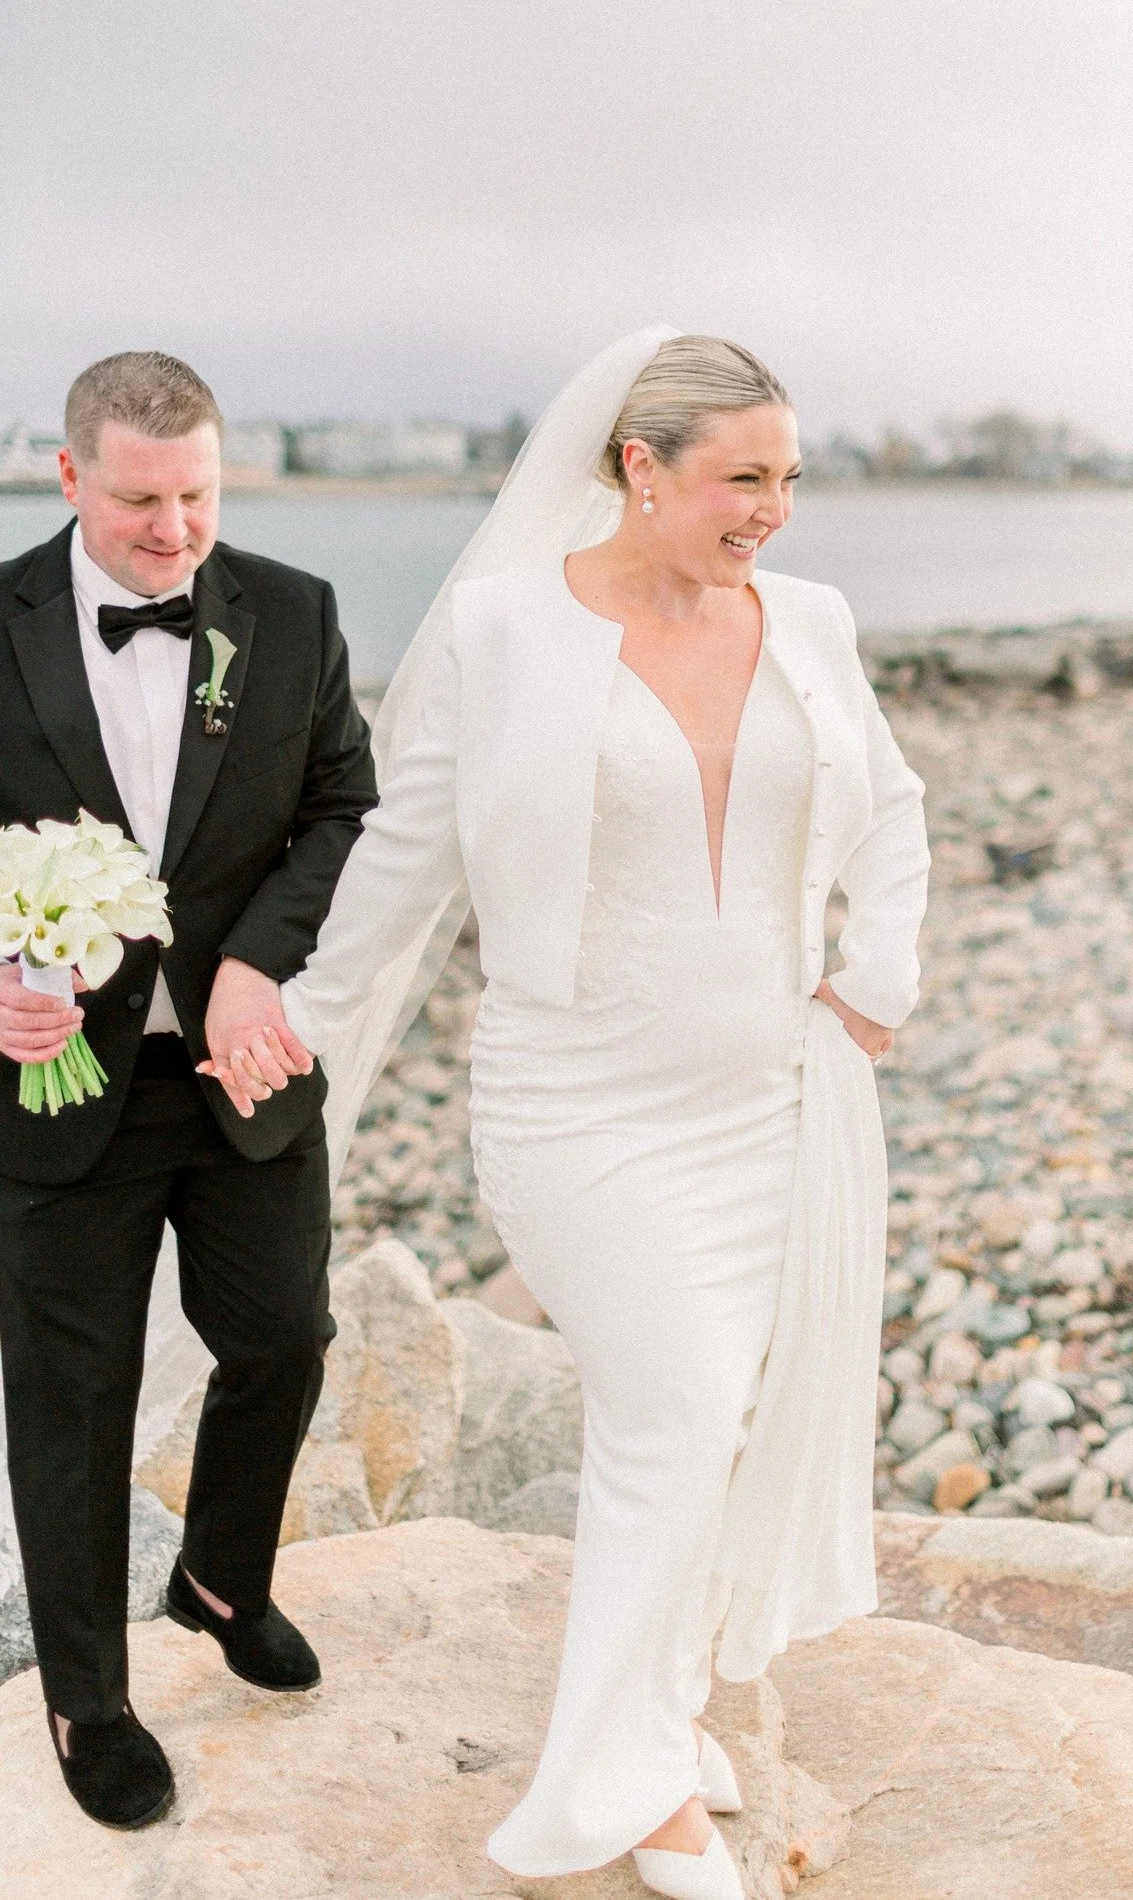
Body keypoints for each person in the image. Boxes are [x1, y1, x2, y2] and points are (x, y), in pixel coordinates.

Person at [273, 328, 929, 1899]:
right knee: (676, 1410)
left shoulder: (810, 623)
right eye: (741, 476)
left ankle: (659, 1704)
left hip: (769, 1099)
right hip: (579, 1107)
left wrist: (874, 977)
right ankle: (626, 1790)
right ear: (640, 466)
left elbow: (891, 805)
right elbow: (405, 855)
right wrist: (297, 1014)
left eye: (788, 476)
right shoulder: (506, 632)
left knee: (713, 1419)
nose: (774, 507)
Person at [0, 352, 376, 1829]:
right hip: (53, 1088)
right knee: (73, 1397)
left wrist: (256, 965)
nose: (177, 533)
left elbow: (343, 799)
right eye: (145, 501)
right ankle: (88, 1697)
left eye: (201, 496)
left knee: (285, 1332)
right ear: (70, 474)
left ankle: (221, 1575)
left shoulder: (292, 612)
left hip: (243, 1069)